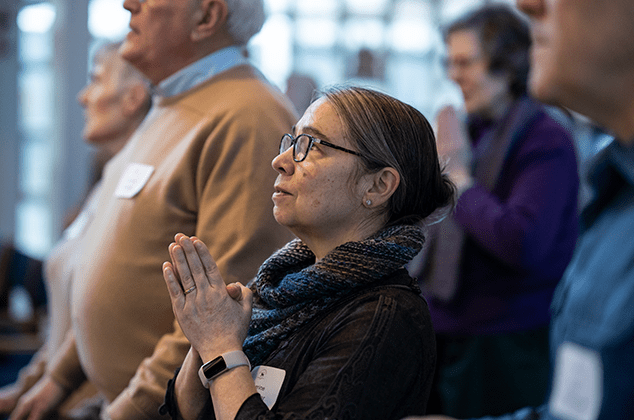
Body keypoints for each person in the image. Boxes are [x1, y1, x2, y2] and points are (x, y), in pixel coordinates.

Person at [9, 0, 298, 419]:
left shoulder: (248, 116)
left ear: (206, 17)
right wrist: (60, 378)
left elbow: (221, 304)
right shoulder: (170, 104)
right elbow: (109, 265)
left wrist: (129, 410)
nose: (129, 4)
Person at [158, 85, 455, 420]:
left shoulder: (386, 315)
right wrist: (204, 341)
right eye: (292, 141)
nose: (280, 161)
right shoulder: (277, 287)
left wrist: (220, 348)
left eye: (311, 146)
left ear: (378, 185)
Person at [410, 0, 634, 419]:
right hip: (448, 329)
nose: (453, 74)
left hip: (502, 342)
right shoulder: (469, 131)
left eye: (466, 62)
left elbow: (522, 242)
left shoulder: (544, 138)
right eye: (449, 62)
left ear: (506, 64)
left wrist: (460, 182)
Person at [0, 41, 151, 418]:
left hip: (95, 405)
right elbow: (70, 326)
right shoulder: (107, 184)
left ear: (133, 98)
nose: (84, 97)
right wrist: (27, 386)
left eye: (95, 80)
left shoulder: (142, 192)